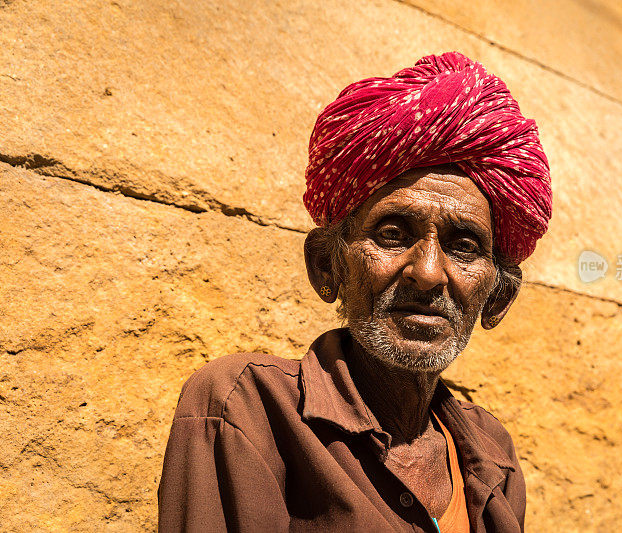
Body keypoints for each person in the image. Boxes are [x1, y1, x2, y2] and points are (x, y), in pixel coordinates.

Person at [158, 51, 551, 532]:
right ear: (327, 267)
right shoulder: (247, 405)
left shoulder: (491, 451)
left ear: (496, 297)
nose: (428, 273)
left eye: (464, 246)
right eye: (392, 234)